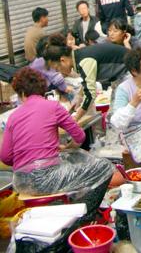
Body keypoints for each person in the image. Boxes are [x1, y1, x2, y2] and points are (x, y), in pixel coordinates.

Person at [0, 68, 112, 212]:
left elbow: (5, 157)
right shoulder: (53, 106)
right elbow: (80, 136)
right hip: (48, 178)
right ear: (42, 89)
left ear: (21, 93)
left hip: (22, 182)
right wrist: (69, 147)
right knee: (105, 167)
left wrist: (26, 159)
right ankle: (85, 213)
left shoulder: (13, 117)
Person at [44, 38, 129, 123]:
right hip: (120, 76)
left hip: (130, 72)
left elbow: (90, 94)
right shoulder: (79, 56)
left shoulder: (84, 60)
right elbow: (87, 84)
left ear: (63, 60)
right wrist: (79, 98)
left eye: (57, 68)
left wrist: (76, 118)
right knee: (113, 116)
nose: (60, 73)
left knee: (120, 118)